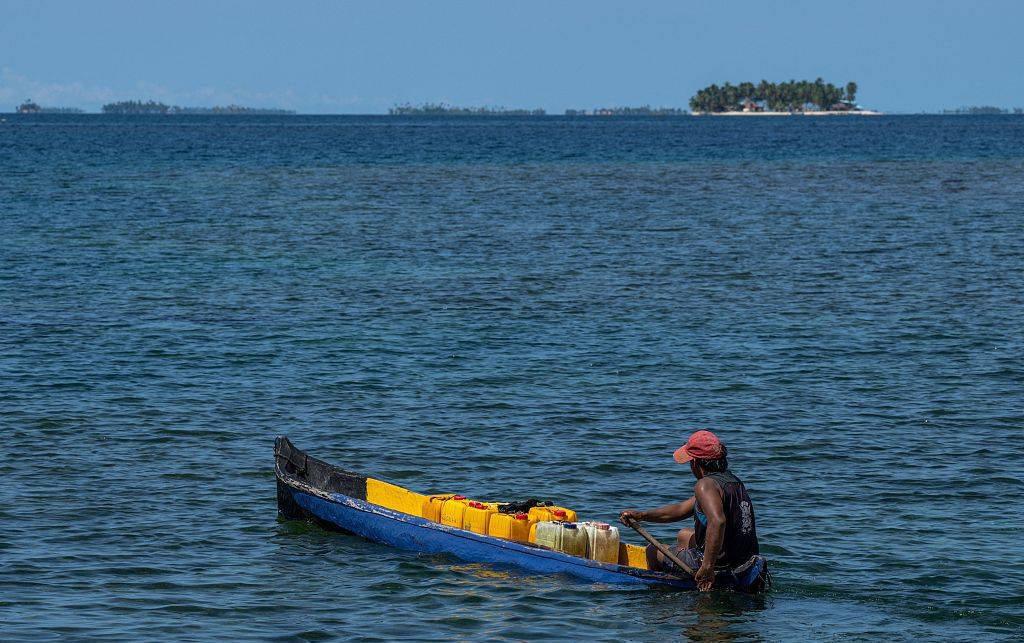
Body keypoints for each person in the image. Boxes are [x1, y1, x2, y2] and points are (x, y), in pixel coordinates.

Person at [619, 430, 767, 592]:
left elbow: (718, 522)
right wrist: (642, 515)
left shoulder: (705, 485)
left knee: (653, 550)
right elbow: (681, 509)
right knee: (684, 534)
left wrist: (708, 567)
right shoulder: (733, 482)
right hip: (742, 559)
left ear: (695, 463)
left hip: (721, 565)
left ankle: (662, 591)